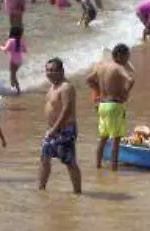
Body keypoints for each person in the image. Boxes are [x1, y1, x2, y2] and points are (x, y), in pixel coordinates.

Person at [86, 44, 135, 170]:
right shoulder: (118, 68)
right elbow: (130, 80)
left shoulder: (101, 67)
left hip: (103, 105)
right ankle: (114, 168)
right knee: (116, 140)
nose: (127, 61)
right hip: (115, 105)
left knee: (103, 138)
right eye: (126, 57)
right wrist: (125, 93)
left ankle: (98, 166)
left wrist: (97, 92)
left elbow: (89, 80)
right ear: (119, 55)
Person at [39, 58, 82, 193]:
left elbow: (66, 110)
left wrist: (55, 129)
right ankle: (41, 188)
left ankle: (77, 192)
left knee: (69, 162)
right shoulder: (52, 87)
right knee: (44, 158)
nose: (49, 73)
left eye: (52, 70)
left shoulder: (66, 87)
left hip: (64, 129)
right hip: (52, 129)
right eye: (47, 70)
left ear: (61, 71)